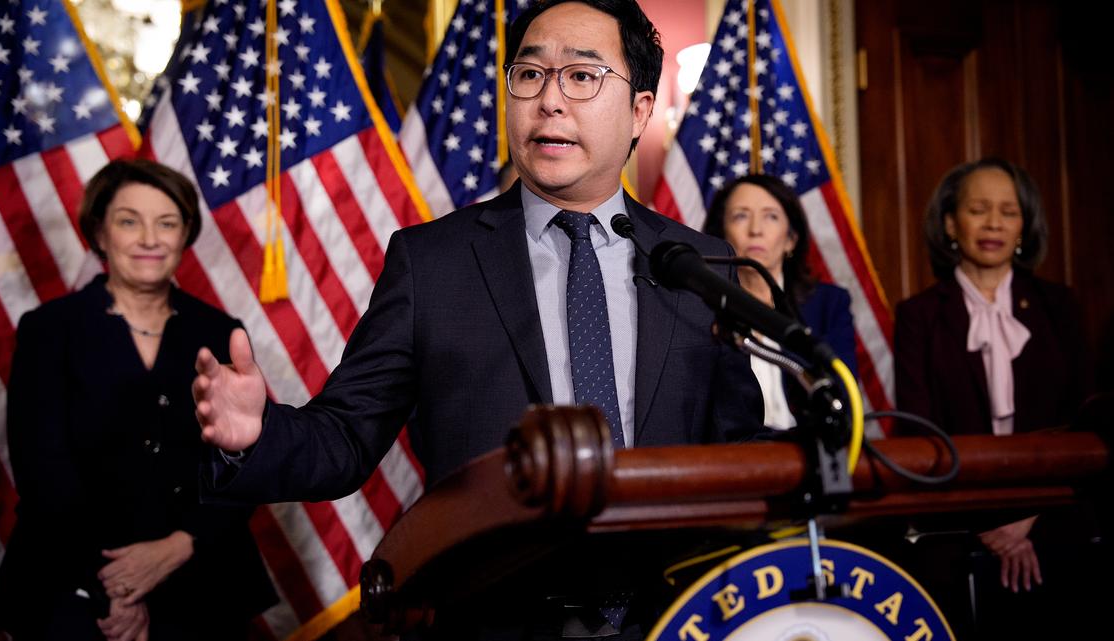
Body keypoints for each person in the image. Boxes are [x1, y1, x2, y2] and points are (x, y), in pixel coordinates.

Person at [196, 0, 763, 637]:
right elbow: (345, 440)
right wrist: (257, 432)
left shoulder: (696, 265)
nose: (550, 100)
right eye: (529, 74)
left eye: (581, 76)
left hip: (672, 621)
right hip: (492, 620)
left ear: (639, 110)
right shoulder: (432, 263)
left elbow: (737, 456)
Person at [0, 159, 276, 640]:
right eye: (128, 221)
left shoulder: (222, 333)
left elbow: (245, 461)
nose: (148, 239)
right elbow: (43, 476)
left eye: (167, 223)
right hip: (71, 578)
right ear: (100, 234)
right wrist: (115, 593)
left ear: (186, 235)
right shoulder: (49, 330)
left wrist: (183, 543)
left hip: (202, 580)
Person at [894, 157, 1093, 638]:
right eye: (979, 209)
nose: (994, 224)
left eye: (1008, 211)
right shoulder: (918, 316)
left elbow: (1084, 424)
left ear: (1024, 225)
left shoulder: (1059, 307)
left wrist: (1026, 519)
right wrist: (990, 522)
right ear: (949, 223)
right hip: (955, 526)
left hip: (1054, 519)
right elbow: (919, 433)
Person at [703, 174, 858, 430]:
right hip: (730, 459)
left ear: (791, 240)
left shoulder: (828, 305)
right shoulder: (700, 306)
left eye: (771, 216)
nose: (756, 230)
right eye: (740, 216)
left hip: (809, 454)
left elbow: (843, 400)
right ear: (720, 234)